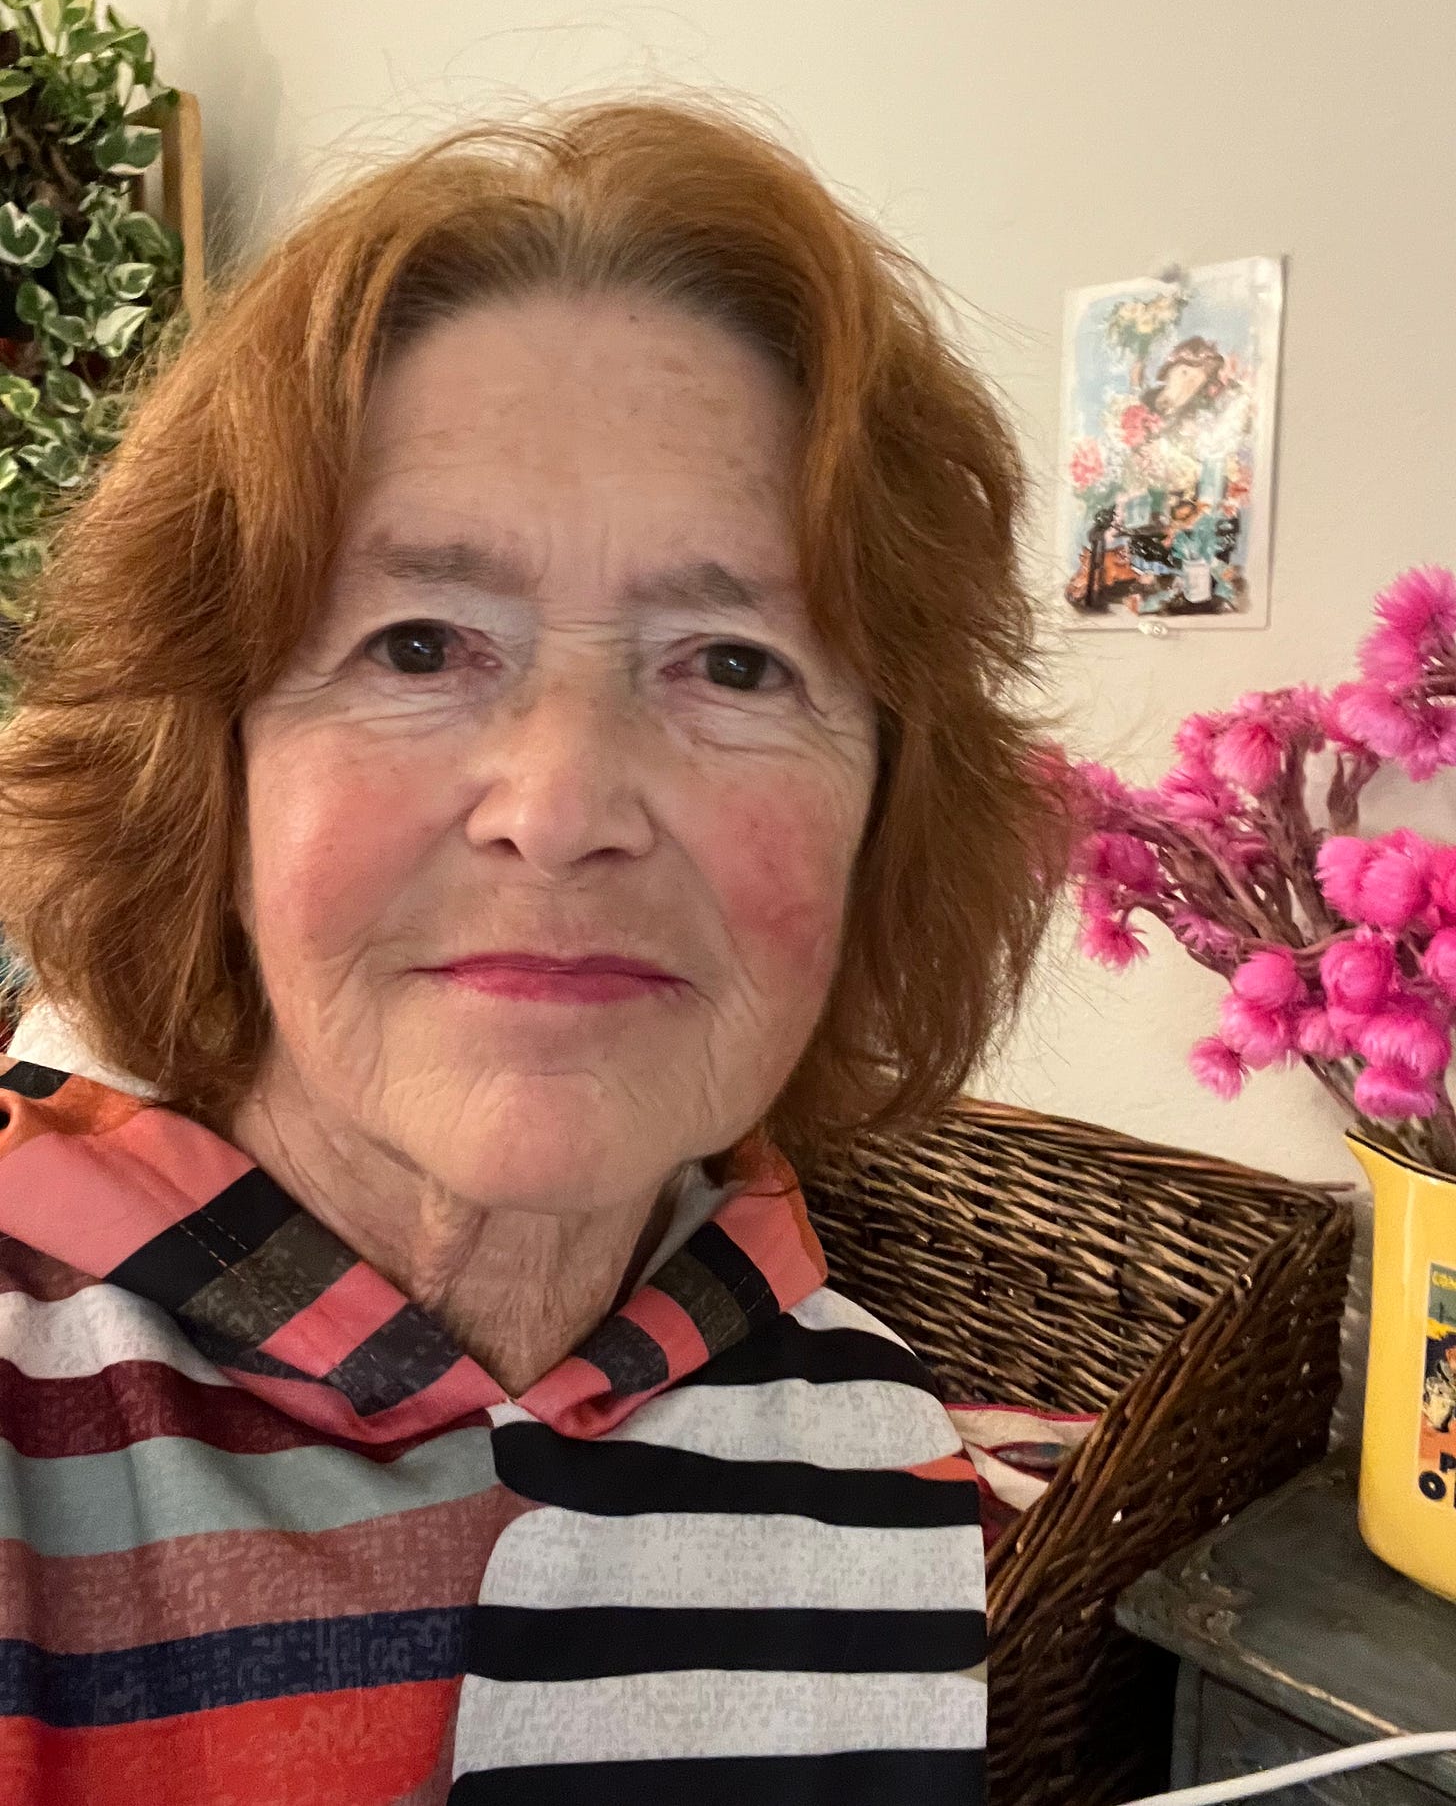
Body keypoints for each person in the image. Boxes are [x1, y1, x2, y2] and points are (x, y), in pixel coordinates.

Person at [0, 96, 1062, 1804]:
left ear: (889, 804)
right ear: (205, 763)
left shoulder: (872, 1441)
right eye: (419, 640)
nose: (564, 804)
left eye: (732, 662)